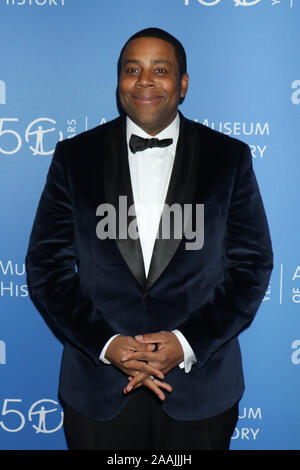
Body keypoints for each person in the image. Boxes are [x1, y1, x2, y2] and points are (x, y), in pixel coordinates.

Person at [25, 27, 273, 450]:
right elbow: (47, 268)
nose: (144, 80)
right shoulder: (74, 157)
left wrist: (185, 343)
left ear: (183, 84)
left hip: (200, 392)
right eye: (132, 69)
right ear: (119, 81)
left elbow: (251, 268)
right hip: (98, 391)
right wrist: (106, 345)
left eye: (160, 69)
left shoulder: (228, 158)